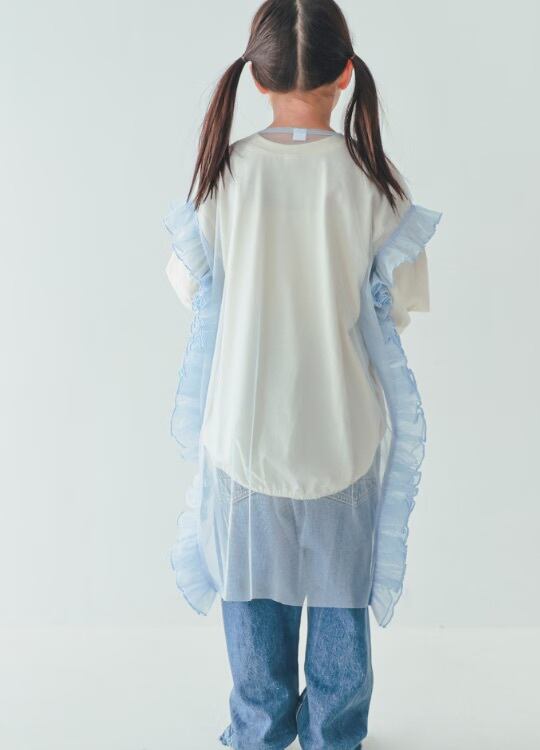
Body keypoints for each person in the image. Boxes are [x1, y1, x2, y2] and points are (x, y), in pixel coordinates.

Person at [164, 1, 441, 747]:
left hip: (242, 435)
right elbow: (403, 305)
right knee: (341, 604)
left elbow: (187, 285)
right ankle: (333, 735)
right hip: (340, 434)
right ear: (346, 74)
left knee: (251, 603)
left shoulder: (223, 177)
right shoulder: (373, 181)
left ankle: (257, 731)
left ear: (257, 78)